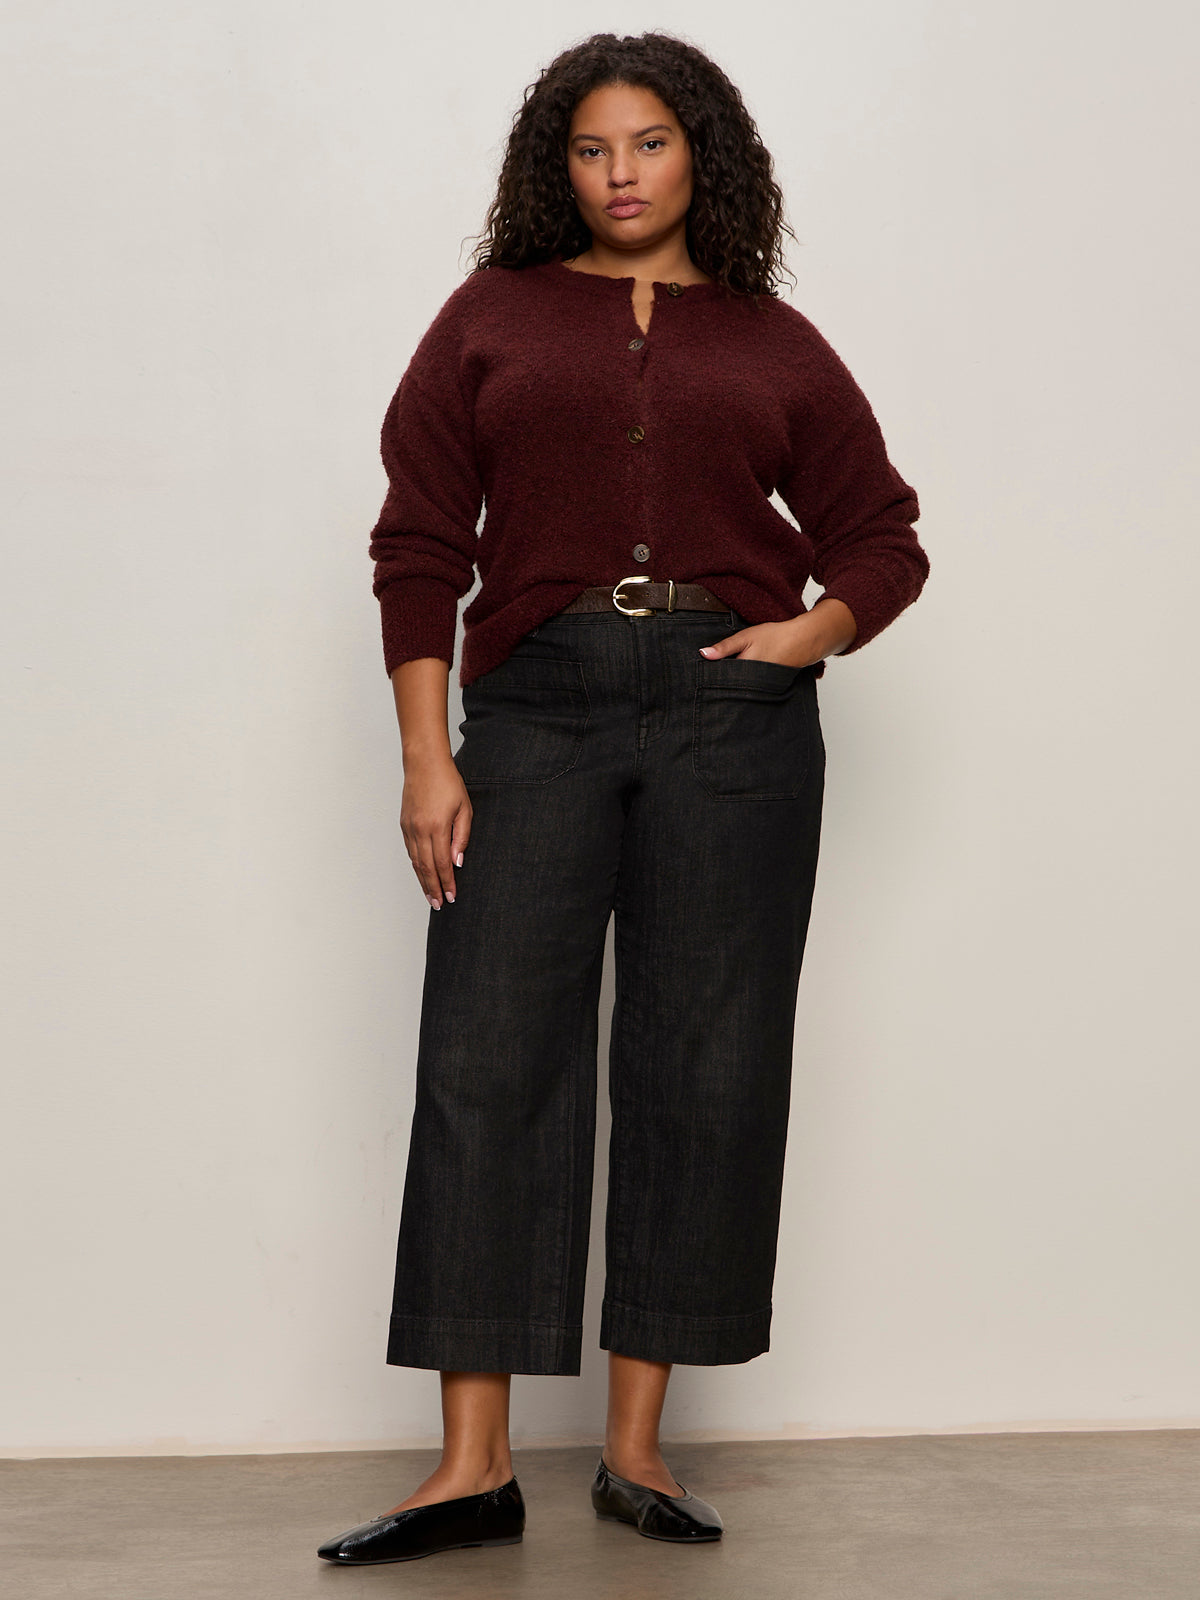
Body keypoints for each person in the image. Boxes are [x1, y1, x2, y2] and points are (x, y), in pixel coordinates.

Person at [318, 30, 929, 1567]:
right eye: (593, 149)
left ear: (699, 155)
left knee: (702, 1062)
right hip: (534, 710)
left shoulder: (773, 341)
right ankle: (470, 1469)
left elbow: (882, 534)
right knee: (487, 1056)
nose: (622, 174)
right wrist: (425, 751)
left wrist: (806, 634)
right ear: (556, 167)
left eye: (650, 143)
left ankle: (638, 1451)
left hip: (736, 722)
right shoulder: (490, 317)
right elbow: (415, 541)